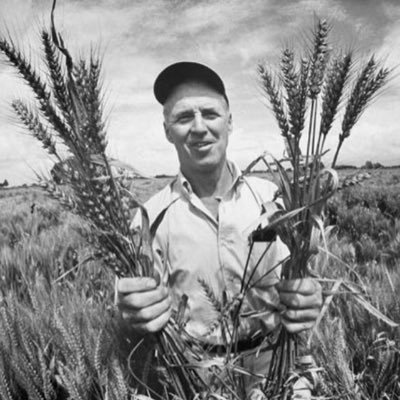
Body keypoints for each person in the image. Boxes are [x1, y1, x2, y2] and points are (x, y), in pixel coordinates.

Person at [116, 62, 322, 395]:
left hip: (277, 364)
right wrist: (133, 312)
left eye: (210, 114)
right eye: (184, 118)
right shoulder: (148, 217)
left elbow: (302, 279)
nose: (199, 128)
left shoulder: (275, 198)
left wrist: (308, 296)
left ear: (230, 121)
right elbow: (134, 307)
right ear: (167, 130)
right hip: (193, 376)